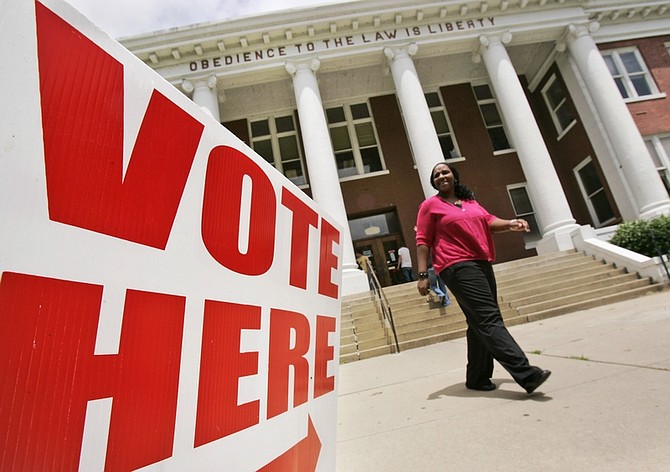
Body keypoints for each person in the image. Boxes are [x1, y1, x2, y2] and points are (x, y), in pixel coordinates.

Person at [415, 162, 551, 394]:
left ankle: (477, 377)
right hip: (456, 265)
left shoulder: (470, 202)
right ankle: (526, 373)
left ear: (454, 176)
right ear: (433, 182)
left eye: (445, 172)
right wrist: (422, 275)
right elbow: (423, 241)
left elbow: (488, 221)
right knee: (489, 318)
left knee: (478, 321)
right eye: (436, 175)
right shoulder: (430, 206)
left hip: (481, 262)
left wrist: (511, 224)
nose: (441, 176)